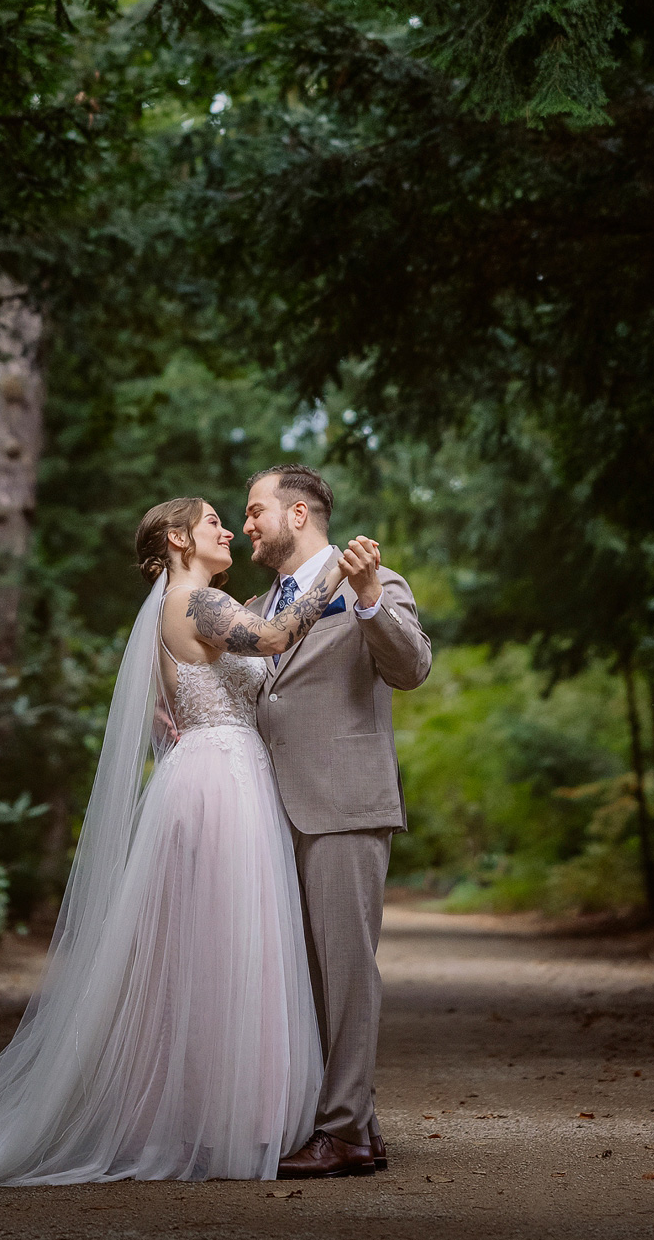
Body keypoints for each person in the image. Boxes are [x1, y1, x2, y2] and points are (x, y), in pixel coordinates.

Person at [0, 497, 384, 1193]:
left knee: (218, 953)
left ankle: (239, 1115)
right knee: (225, 949)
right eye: (212, 521)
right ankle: (237, 1120)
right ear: (180, 539)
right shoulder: (194, 602)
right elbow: (272, 640)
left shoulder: (186, 605)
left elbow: (190, 688)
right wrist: (338, 573)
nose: (225, 529)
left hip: (222, 777)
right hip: (221, 787)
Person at [242, 465, 431, 1179]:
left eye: (256, 510)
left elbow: (411, 669)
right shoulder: (261, 604)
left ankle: (344, 1132)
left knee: (347, 971)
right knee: (307, 976)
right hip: (269, 810)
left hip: (345, 802)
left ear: (298, 514)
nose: (247, 524)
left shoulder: (377, 585)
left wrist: (370, 597)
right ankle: (362, 1125)